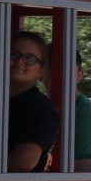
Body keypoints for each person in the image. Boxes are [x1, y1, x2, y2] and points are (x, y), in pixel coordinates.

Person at [5, 31, 60, 172]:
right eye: (13, 54)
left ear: (41, 71)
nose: (20, 61)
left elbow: (25, 160)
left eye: (29, 58)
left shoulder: (40, 108)